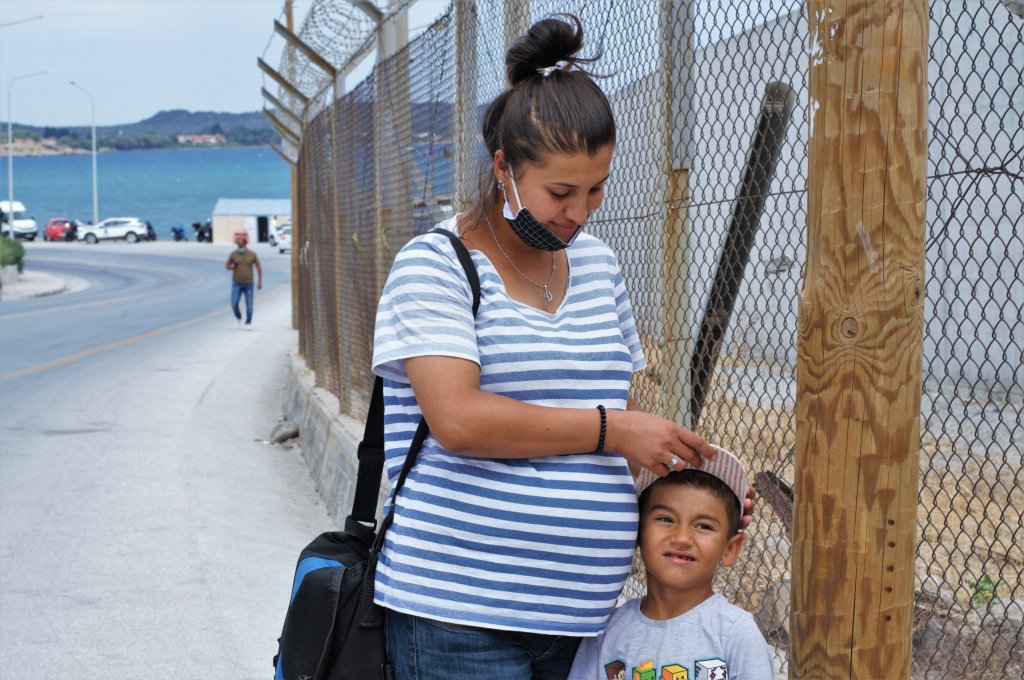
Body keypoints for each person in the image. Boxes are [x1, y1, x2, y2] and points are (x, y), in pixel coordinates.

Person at [371, 14, 752, 680]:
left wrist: (700, 487)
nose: (579, 212)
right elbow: (458, 421)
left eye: (596, 189)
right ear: (503, 168)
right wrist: (614, 430)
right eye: (560, 192)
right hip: (461, 615)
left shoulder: (599, 267)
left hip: (583, 624)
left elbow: (614, 429)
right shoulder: (435, 265)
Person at [567, 449, 773, 680]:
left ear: (730, 549)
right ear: (637, 532)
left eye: (704, 526)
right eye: (666, 519)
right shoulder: (607, 632)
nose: (682, 538)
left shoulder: (735, 633)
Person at [225, 233, 262, 330]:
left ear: (245, 244)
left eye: (240, 244)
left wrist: (259, 281)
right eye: (237, 244)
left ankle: (248, 322)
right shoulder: (233, 254)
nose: (238, 245)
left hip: (249, 283)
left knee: (249, 304)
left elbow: (258, 267)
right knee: (234, 303)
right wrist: (232, 267)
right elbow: (227, 265)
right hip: (236, 283)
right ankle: (239, 317)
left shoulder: (252, 254)